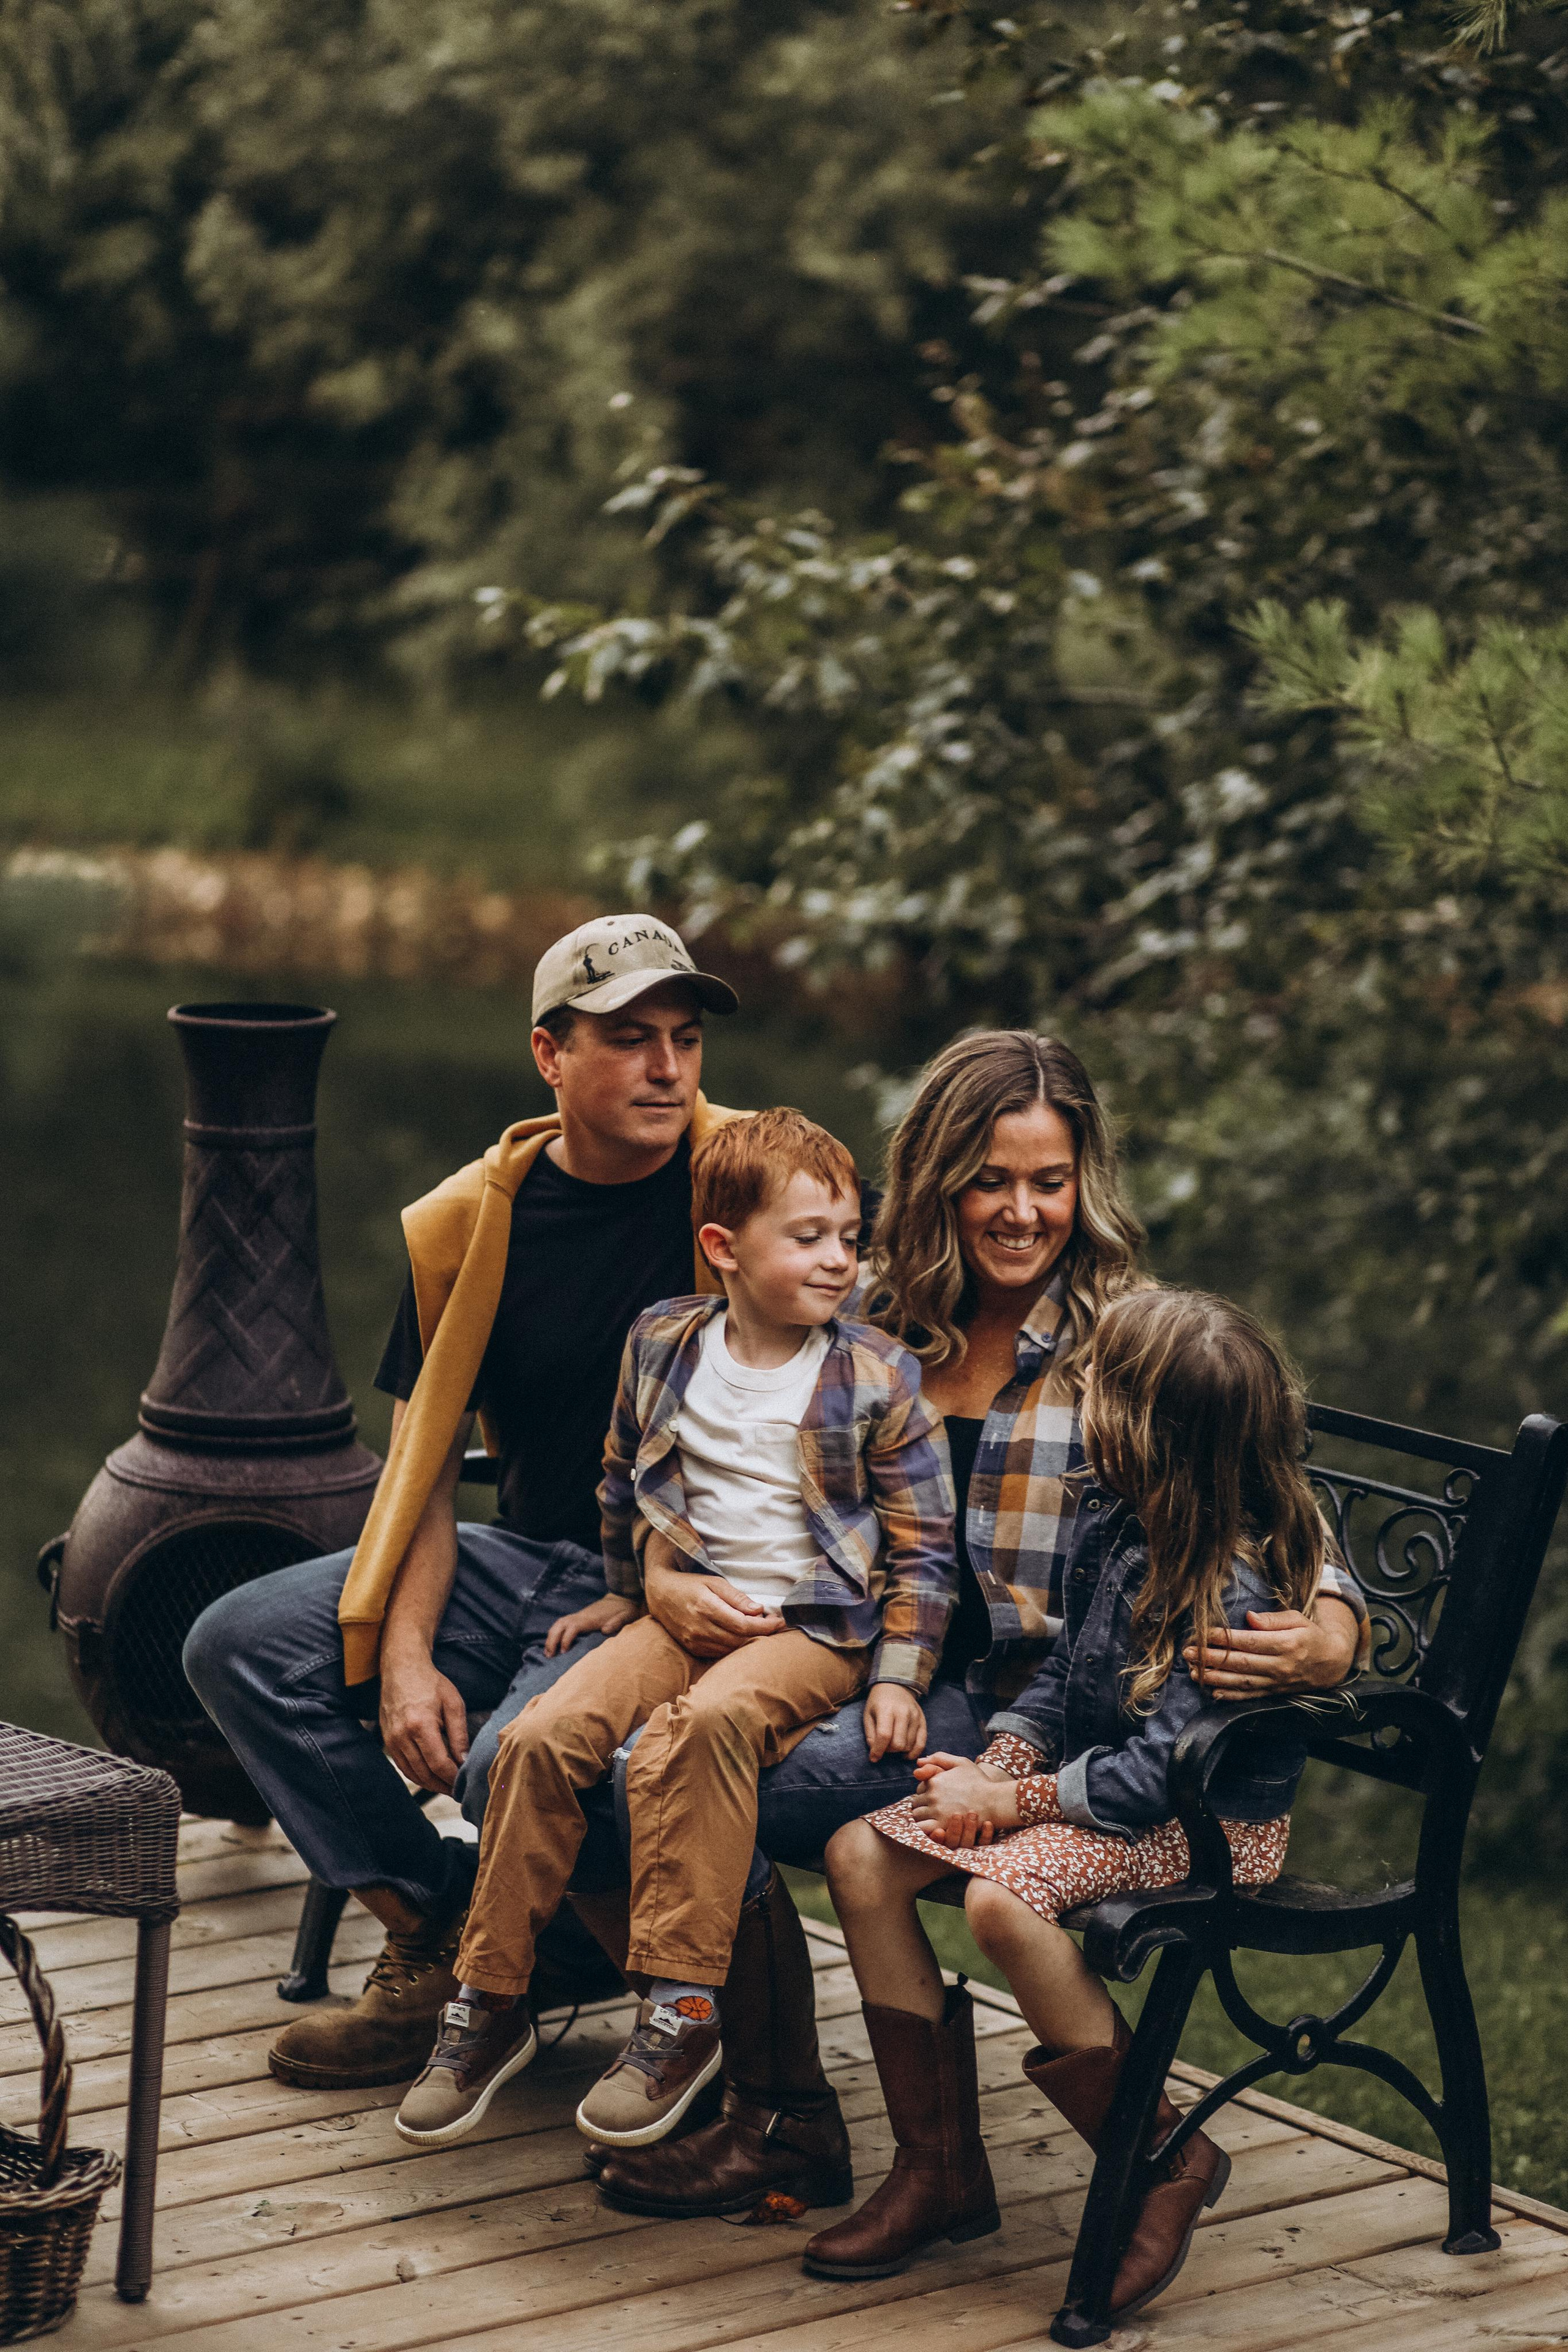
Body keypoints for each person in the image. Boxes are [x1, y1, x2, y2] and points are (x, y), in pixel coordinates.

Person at [595, 1030, 1365, 2219]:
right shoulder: (854, 1313)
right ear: (936, 1177)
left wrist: (1330, 1629)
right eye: (989, 1180)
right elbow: (698, 1440)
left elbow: (1271, 1499)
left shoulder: (1126, 1337)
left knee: (699, 1784)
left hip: (1006, 1694)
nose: (1019, 1212)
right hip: (839, 1655)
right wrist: (654, 1569)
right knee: (636, 1764)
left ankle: (797, 2128)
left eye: (1047, 1182)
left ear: (1082, 1185)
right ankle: (811, 2122)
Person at [183, 910, 755, 2092]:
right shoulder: (469, 1220)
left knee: (512, 1753)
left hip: (688, 1587)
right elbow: (426, 1463)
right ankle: (440, 1932)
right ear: (550, 1057)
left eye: (685, 1039)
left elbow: (852, 1403)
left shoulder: (754, 1178)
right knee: (237, 1646)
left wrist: (663, 1592)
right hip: (530, 1560)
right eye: (632, 1038)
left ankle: (624, 2001)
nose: (667, 1069)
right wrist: (403, 1654)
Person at [392, 1109, 956, 2157]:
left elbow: (926, 1549)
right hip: (681, 1609)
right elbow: (622, 1480)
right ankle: (490, 1997)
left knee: (695, 1733)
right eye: (809, 1237)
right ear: (722, 1248)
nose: (840, 1258)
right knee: (533, 1740)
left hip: (813, 1632)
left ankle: (683, 2011)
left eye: (849, 1235)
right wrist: (626, 1590)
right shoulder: (663, 1343)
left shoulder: (876, 1378)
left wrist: (901, 1675)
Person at [805, 1287, 1325, 2318]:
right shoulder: (1112, 1509)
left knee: (1003, 1904)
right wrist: (994, 1760)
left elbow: (1156, 1777)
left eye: (1095, 1395)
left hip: (1205, 1826)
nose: (1079, 1412)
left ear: (1142, 1429)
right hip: (1096, 1785)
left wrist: (1008, 1800)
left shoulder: (1231, 1590)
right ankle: (937, 2167)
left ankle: (1163, 2160)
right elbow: (1062, 1676)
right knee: (859, 1857)